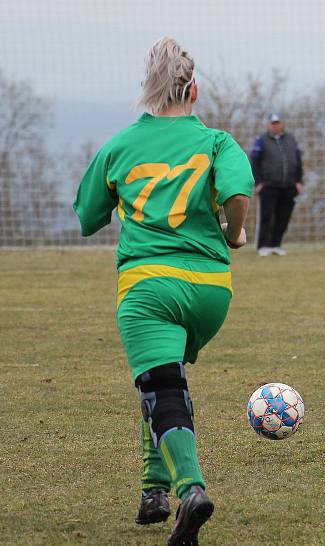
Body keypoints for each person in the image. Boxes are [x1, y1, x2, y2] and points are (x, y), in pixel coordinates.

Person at [73, 37, 253, 545]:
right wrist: (233, 232)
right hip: (211, 290)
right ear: (194, 90)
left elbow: (87, 218)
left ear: (148, 93)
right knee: (159, 378)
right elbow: (238, 195)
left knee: (163, 388)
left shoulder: (120, 145)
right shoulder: (218, 142)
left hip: (149, 285)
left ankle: (190, 489)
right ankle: (154, 488)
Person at [249, 112, 304, 256]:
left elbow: (298, 162)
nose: (276, 125)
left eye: (278, 123)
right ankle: (263, 246)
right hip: (268, 185)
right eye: (273, 123)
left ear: (282, 124)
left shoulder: (291, 140)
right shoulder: (261, 140)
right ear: (268, 125)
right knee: (266, 216)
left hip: (289, 185)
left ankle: (276, 244)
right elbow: (254, 162)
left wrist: (299, 181)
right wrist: (258, 182)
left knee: (284, 216)